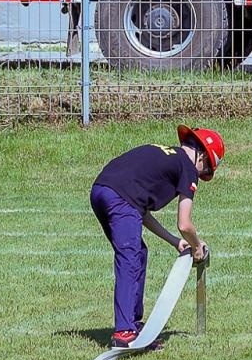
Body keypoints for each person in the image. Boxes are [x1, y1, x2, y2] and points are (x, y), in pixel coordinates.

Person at [90, 125, 225, 348]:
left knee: (137, 252)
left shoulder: (167, 156)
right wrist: (197, 245)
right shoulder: (187, 168)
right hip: (120, 198)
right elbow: (185, 223)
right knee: (130, 257)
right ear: (202, 155)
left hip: (101, 190)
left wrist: (174, 241)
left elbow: (139, 211)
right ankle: (125, 331)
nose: (201, 173)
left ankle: (133, 324)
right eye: (206, 168)